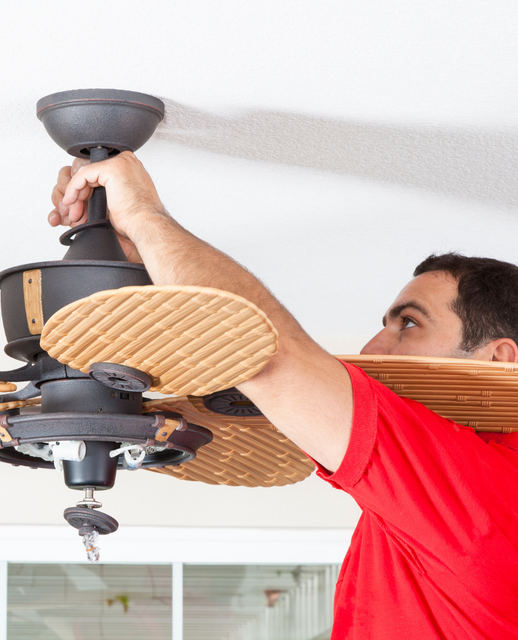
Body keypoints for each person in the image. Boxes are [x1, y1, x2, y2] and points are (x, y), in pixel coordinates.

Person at [49, 152, 518, 639]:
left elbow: (260, 352)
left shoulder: (490, 492)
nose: (371, 348)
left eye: (410, 323)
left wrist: (144, 216)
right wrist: (147, 249)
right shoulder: (444, 497)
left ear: (498, 358)